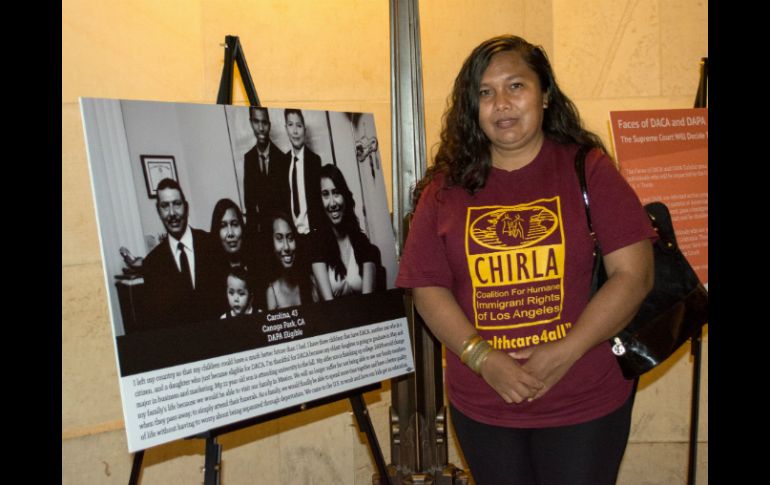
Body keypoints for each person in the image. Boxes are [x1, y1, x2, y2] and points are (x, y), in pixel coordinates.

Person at [395, 35, 655, 485]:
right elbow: (427, 287)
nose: (501, 103)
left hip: (584, 397)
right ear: (471, 107)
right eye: (485, 92)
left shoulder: (588, 169)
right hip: (485, 403)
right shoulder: (445, 188)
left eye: (516, 86)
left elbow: (634, 275)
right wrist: (484, 359)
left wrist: (564, 352)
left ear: (545, 94)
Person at [141, 178, 218, 329]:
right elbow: (154, 323)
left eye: (177, 204)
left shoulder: (212, 245)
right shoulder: (152, 264)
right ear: (158, 211)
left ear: (186, 207)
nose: (172, 213)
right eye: (165, 206)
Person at [311, 164, 377, 300]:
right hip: (334, 319)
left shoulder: (363, 243)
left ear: (345, 196)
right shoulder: (316, 247)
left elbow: (369, 303)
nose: (332, 203)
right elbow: (328, 305)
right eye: (325, 195)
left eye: (336, 192)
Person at [208, 198, 261, 313]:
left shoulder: (257, 268)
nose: (230, 233)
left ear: (242, 227)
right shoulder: (212, 277)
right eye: (223, 226)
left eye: (235, 224)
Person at [243, 107, 289, 233]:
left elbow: (286, 205)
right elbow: (249, 205)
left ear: (269, 124)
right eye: (256, 122)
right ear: (251, 123)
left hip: (281, 230)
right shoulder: (248, 159)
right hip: (261, 234)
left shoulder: (283, 159)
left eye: (264, 122)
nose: (261, 128)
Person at [282, 109, 324, 241]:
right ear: (286, 129)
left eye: (299, 126)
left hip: (314, 235)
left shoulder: (314, 161)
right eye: (290, 125)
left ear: (305, 130)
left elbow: (318, 204)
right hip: (293, 238)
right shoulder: (282, 163)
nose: (295, 131)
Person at [264, 211, 318, 310]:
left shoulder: (312, 282)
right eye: (279, 238)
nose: (287, 247)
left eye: (290, 238)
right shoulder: (272, 292)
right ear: (271, 244)